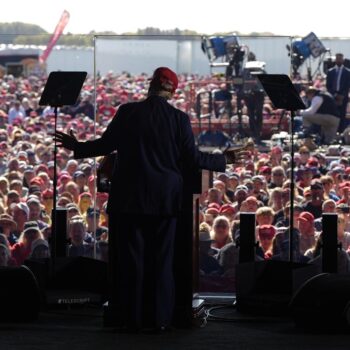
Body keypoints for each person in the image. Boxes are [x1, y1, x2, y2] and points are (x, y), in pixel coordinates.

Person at [54, 66, 245, 332]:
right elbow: (193, 159)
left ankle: (132, 319)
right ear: (172, 91)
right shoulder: (178, 119)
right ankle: (159, 320)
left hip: (129, 201)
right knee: (161, 262)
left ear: (150, 86)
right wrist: (225, 158)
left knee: (132, 262)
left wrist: (77, 146)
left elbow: (104, 146)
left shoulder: (128, 112)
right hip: (164, 203)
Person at [326, 53, 350, 132]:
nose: (338, 60)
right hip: (333, 97)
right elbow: (328, 85)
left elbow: (347, 85)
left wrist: (342, 95)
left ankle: (341, 133)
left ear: (343, 60)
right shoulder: (330, 71)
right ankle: (333, 132)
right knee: (333, 115)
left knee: (342, 116)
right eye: (337, 59)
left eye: (340, 59)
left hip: (343, 97)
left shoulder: (347, 72)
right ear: (335, 60)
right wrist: (334, 95)